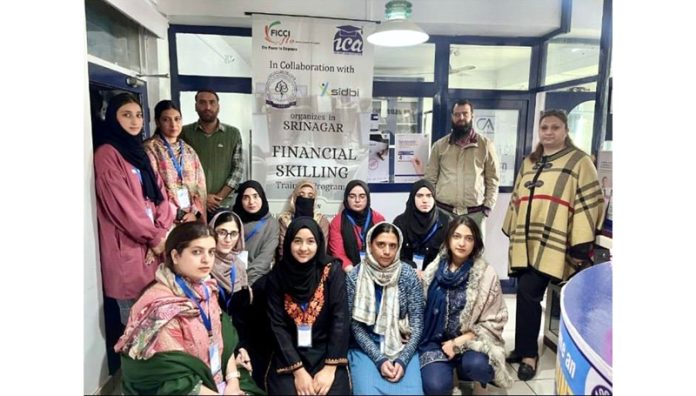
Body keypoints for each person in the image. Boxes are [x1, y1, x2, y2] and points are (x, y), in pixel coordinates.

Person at [502, 109, 605, 381]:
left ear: (565, 130)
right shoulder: (531, 161)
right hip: (526, 239)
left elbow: (590, 202)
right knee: (526, 296)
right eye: (544, 127)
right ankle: (522, 347)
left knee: (528, 292)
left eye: (555, 127)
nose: (548, 132)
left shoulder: (580, 162)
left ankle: (529, 355)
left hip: (555, 242)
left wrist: (580, 244)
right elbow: (518, 195)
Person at [114, 222, 264, 395]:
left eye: (211, 252)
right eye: (196, 252)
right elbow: (170, 377)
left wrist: (233, 380)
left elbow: (224, 339)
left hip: (217, 378)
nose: (206, 259)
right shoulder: (158, 309)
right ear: (176, 256)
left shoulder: (207, 288)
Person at [94, 92, 175, 325]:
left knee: (156, 326)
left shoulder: (140, 153)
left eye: (139, 115)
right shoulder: (107, 155)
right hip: (130, 252)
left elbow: (163, 197)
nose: (134, 121)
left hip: (153, 249)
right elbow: (122, 207)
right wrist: (154, 237)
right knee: (134, 328)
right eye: (126, 115)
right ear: (112, 118)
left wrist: (159, 233)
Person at [419, 216, 513, 395]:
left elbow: (495, 320)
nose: (462, 243)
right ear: (448, 239)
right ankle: (449, 372)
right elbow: (422, 309)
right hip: (436, 342)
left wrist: (457, 342)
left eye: (468, 238)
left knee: (478, 366)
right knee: (436, 387)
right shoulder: (434, 269)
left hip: (471, 342)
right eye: (456, 236)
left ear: (475, 243)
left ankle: (477, 380)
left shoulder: (486, 274)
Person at [265, 217, 351, 395]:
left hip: (326, 352)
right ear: (288, 242)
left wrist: (329, 368)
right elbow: (277, 326)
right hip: (290, 353)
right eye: (297, 241)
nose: (304, 248)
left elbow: (340, 319)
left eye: (310, 241)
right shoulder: (276, 277)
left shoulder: (332, 271)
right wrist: (299, 372)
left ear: (319, 243)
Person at [346, 222, 425, 395]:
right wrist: (379, 359)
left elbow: (417, 324)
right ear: (370, 245)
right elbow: (355, 325)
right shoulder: (355, 276)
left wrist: (403, 361)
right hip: (365, 348)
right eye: (381, 244)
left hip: (402, 345)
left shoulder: (408, 275)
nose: (387, 251)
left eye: (392, 246)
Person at [424, 99, 500, 235]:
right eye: (457, 114)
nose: (461, 118)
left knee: (474, 254)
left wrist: (487, 207)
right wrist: (431, 206)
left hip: (475, 214)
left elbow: (493, 179)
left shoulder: (485, 145)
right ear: (452, 117)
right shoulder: (439, 146)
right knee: (443, 252)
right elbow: (430, 179)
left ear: (472, 115)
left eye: (465, 114)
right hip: (443, 212)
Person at [182, 89, 244, 217]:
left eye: (212, 102)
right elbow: (181, 172)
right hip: (192, 205)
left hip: (222, 204)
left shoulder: (233, 134)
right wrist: (203, 198)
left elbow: (237, 171)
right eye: (202, 102)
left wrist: (218, 198)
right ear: (196, 106)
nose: (207, 107)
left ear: (218, 106)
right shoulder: (184, 133)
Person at [145, 100, 207, 224]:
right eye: (166, 120)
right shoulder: (150, 149)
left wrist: (194, 213)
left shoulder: (189, 151)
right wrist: (177, 214)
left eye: (177, 119)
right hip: (166, 218)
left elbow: (200, 187)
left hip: (191, 217)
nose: (173, 124)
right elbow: (153, 188)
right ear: (157, 122)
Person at [393, 179, 452, 273]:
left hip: (437, 275)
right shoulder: (400, 222)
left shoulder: (446, 221)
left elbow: (450, 256)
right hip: (407, 274)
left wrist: (430, 273)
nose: (425, 200)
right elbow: (395, 257)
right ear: (413, 198)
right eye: (420, 196)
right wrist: (412, 270)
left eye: (429, 196)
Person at [328, 180, 386, 273]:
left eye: (362, 196)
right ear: (346, 199)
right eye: (352, 196)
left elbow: (383, 249)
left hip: (375, 270)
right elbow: (338, 253)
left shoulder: (378, 219)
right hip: (347, 272)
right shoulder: (337, 222)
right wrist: (353, 272)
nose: (357, 200)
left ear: (368, 198)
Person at [231, 180, 280, 287]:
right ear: (240, 200)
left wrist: (246, 284)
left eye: (255, 196)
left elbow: (264, 259)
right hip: (230, 277)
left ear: (262, 197)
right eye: (246, 197)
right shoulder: (231, 220)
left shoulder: (271, 224)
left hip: (256, 280)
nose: (251, 202)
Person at [277, 180, 330, 260]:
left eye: (310, 196)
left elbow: (322, 249)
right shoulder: (285, 220)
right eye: (301, 195)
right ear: (294, 197)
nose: (305, 199)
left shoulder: (321, 220)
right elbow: (282, 250)